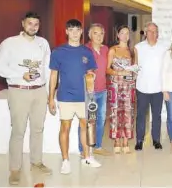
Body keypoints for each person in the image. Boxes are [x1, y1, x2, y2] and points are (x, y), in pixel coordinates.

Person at [0, 12, 52, 185]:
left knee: (38, 129)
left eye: (36, 24)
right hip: (18, 90)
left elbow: (47, 69)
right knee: (18, 131)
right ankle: (14, 169)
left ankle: (36, 162)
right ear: (23, 24)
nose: (33, 27)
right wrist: (21, 74)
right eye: (30, 23)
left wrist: (49, 94)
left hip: (40, 91)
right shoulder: (9, 43)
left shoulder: (43, 43)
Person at [48, 19, 101, 175]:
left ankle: (87, 157)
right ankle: (65, 161)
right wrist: (50, 97)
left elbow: (92, 72)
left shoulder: (87, 51)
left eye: (78, 30)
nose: (75, 33)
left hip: (84, 97)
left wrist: (91, 75)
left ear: (81, 32)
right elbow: (53, 76)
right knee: (65, 127)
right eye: (71, 30)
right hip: (66, 97)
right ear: (66, 32)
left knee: (85, 127)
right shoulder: (58, 52)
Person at [134, 22, 168, 151]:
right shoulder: (138, 47)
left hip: (158, 88)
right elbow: (135, 66)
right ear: (145, 33)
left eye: (155, 31)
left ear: (158, 34)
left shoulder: (164, 48)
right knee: (141, 115)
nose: (152, 34)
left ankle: (156, 140)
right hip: (142, 87)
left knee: (157, 115)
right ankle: (139, 140)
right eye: (149, 31)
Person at [78, 23, 110, 156]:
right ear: (90, 35)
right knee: (86, 120)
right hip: (88, 91)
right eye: (95, 33)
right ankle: (82, 148)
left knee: (101, 119)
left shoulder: (106, 49)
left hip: (102, 90)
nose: (99, 36)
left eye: (101, 33)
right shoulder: (84, 49)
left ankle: (97, 146)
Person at [106, 25, 136, 154]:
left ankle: (126, 140)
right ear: (118, 35)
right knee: (115, 112)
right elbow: (107, 69)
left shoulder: (132, 51)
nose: (125, 35)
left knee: (128, 112)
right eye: (122, 33)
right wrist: (118, 73)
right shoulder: (113, 50)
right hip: (116, 84)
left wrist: (134, 74)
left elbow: (135, 68)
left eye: (127, 33)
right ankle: (117, 140)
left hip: (129, 85)